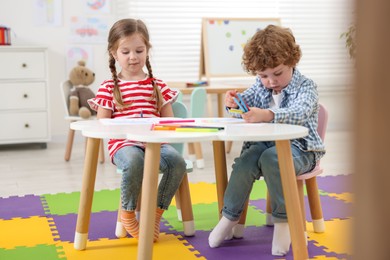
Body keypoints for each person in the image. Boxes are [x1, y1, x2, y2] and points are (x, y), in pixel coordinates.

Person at [208, 24, 326, 256]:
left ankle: (283, 222)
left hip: (302, 151)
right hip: (265, 147)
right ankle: (229, 216)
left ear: (292, 61)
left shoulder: (306, 87)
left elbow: (300, 112)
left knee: (274, 159)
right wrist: (233, 102)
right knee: (245, 160)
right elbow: (246, 101)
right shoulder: (260, 86)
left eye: (277, 73)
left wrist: (268, 114)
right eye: (263, 75)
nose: (271, 81)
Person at [88, 18, 186, 242]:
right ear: (114, 53)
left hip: (156, 143)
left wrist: (162, 131)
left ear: (147, 51)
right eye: (126, 51)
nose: (133, 57)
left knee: (177, 163)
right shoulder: (109, 87)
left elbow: (168, 121)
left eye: (139, 50)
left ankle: (155, 213)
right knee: (134, 162)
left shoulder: (157, 85)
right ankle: (128, 213)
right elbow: (102, 125)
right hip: (124, 146)